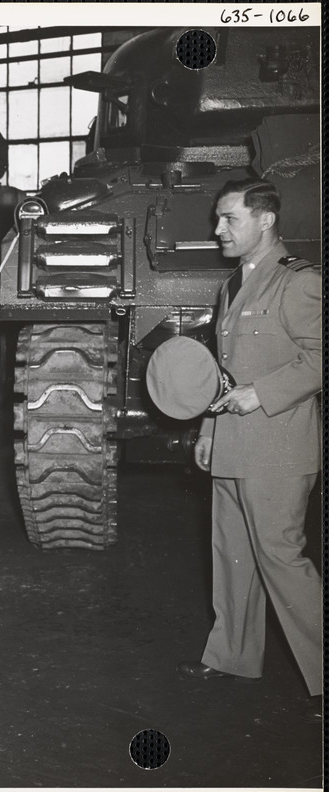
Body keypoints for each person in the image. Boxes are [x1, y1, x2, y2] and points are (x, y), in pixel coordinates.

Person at [178, 179, 322, 704]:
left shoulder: (299, 282)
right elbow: (224, 372)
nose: (218, 229)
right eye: (218, 219)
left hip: (279, 448)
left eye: (229, 219)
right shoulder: (233, 284)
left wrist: (260, 394)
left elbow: (318, 358)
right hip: (233, 445)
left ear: (266, 220)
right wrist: (209, 431)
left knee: (282, 561)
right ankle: (233, 658)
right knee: (232, 556)